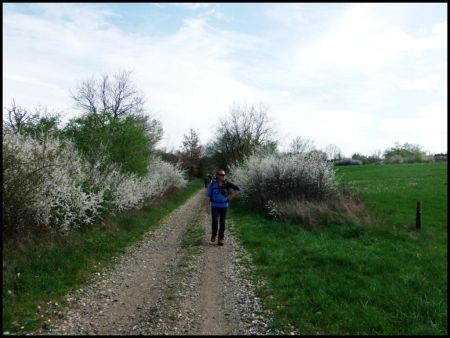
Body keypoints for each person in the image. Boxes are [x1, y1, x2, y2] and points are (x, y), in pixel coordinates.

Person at [206, 169, 240, 246]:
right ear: (217, 175)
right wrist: (207, 206)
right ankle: (214, 234)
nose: (223, 176)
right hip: (214, 205)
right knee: (215, 221)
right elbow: (208, 196)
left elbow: (238, 189)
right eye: (221, 175)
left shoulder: (227, 183)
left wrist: (231, 197)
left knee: (222, 222)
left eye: (224, 175)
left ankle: (220, 239)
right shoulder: (212, 184)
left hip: (224, 206)